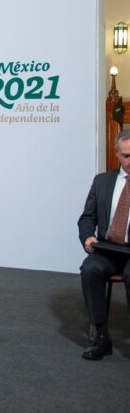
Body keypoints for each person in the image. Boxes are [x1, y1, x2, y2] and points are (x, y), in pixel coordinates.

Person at [78, 129, 130, 360]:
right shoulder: (102, 181)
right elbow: (87, 217)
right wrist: (88, 237)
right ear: (117, 154)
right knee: (89, 269)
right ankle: (100, 335)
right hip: (108, 248)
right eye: (126, 155)